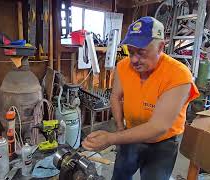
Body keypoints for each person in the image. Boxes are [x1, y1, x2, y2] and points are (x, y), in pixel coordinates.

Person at [82, 16, 200, 180]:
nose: (134, 59)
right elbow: (115, 96)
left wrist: (111, 138)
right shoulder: (124, 66)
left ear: (160, 47)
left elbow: (158, 127)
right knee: (120, 176)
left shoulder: (178, 75)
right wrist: (119, 128)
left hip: (162, 144)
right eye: (131, 52)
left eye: (142, 52)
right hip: (130, 134)